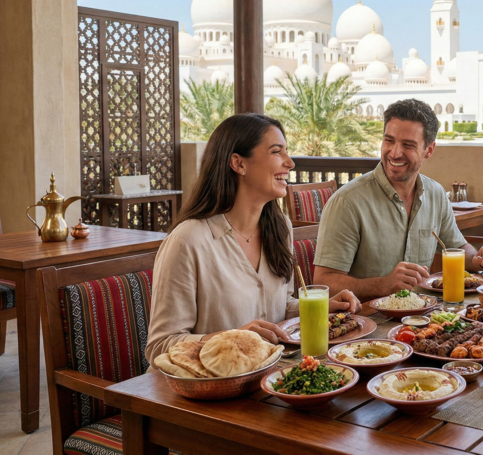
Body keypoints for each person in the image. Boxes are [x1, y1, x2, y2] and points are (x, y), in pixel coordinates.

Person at [146, 114, 360, 366]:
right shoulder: (188, 240)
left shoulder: (280, 227)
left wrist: (323, 307)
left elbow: (275, 309)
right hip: (204, 392)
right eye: (276, 152)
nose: (290, 163)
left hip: (268, 375)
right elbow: (160, 346)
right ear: (238, 163)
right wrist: (233, 338)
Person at [313, 99, 483, 301]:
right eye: (389, 140)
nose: (395, 152)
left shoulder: (436, 194)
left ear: (429, 150)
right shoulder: (347, 202)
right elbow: (323, 283)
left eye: (408, 145)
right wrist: (382, 284)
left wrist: (478, 258)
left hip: (425, 318)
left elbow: (456, 247)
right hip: (368, 324)